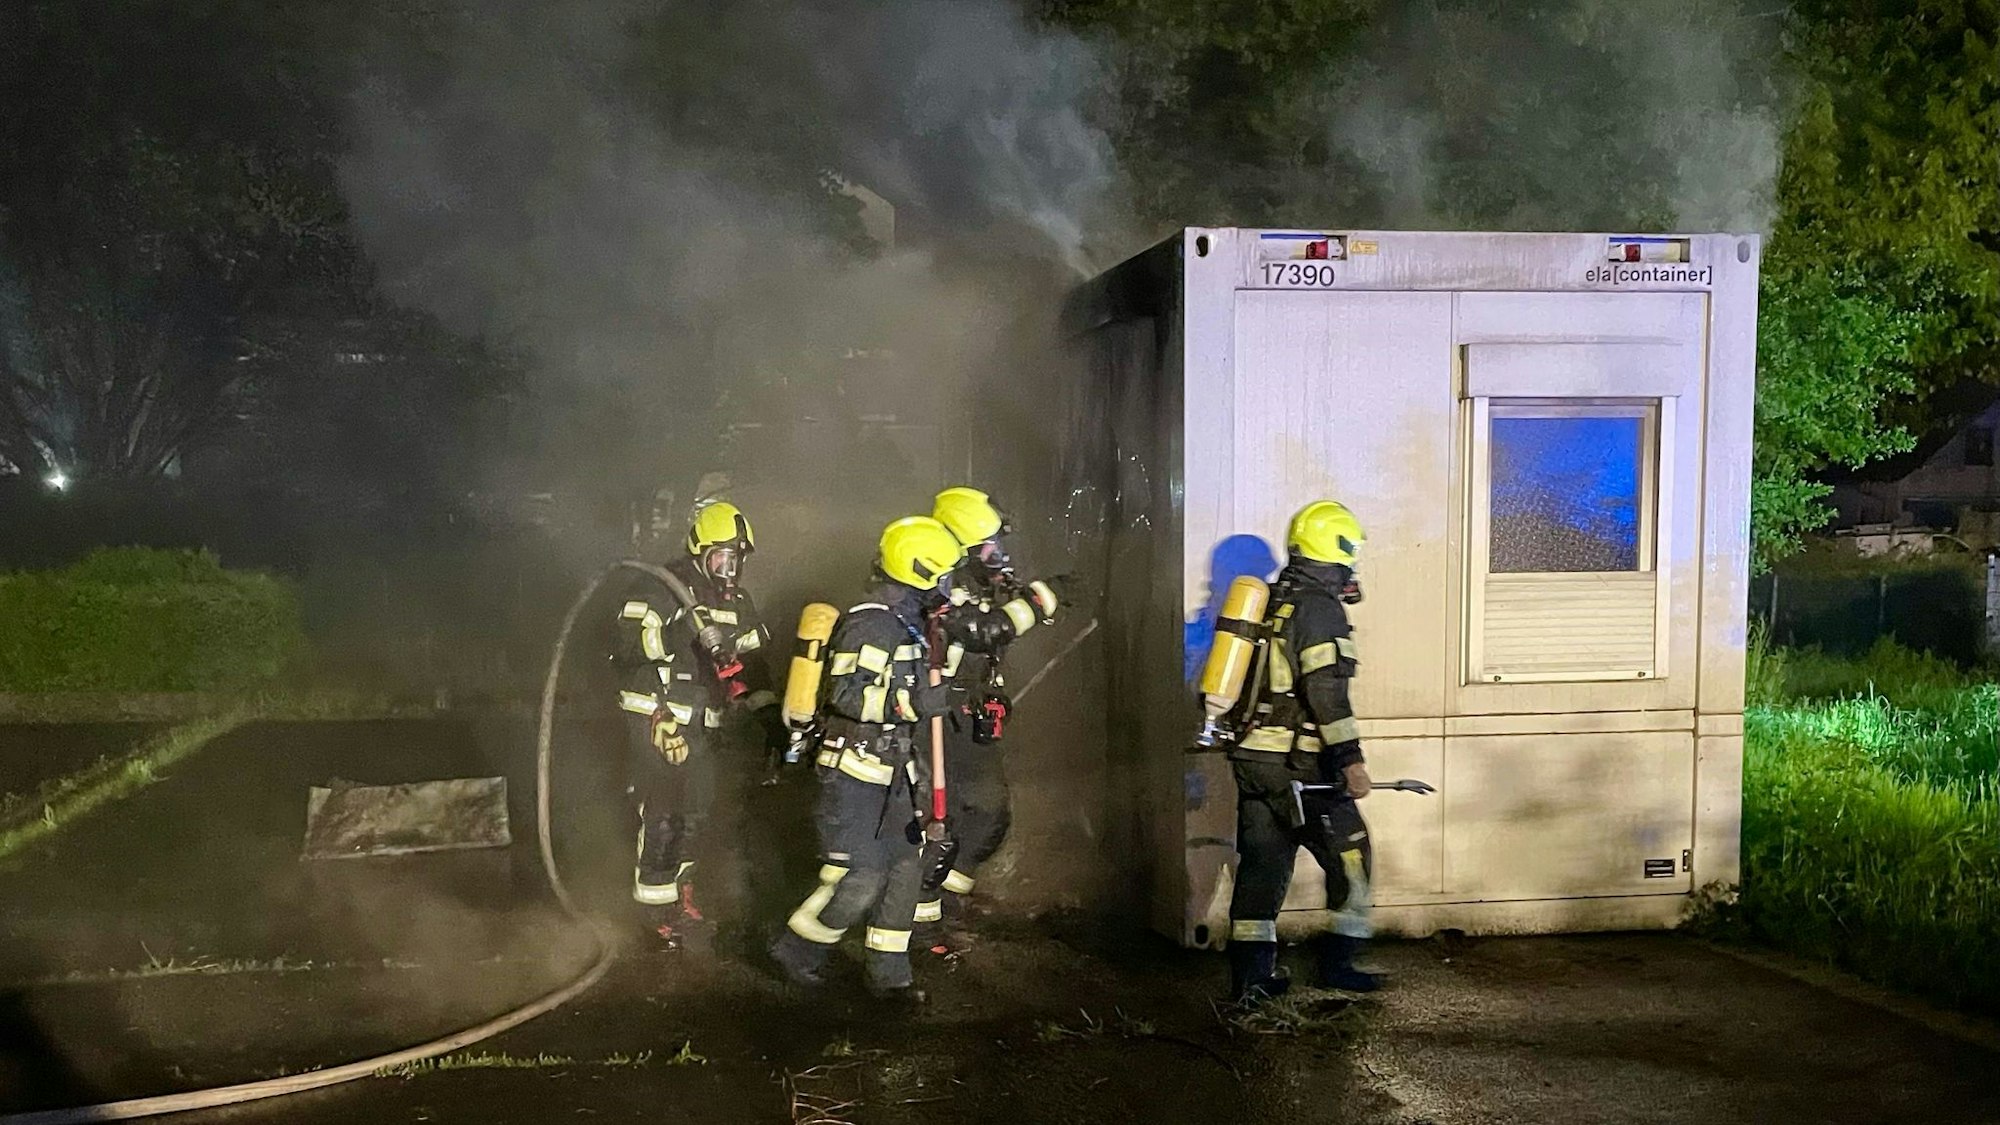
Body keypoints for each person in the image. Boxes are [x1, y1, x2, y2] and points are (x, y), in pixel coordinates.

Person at [769, 516, 968, 1002]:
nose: (947, 587)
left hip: (894, 773)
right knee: (859, 877)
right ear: (920, 572)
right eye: (942, 577)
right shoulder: (871, 624)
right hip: (853, 774)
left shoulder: (910, 625)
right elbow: (846, 694)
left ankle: (890, 975)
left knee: (904, 871)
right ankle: (796, 951)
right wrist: (914, 704)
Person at [612, 501, 785, 950]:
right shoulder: (662, 588)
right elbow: (625, 647)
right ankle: (654, 915)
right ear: (700, 553)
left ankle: (679, 896)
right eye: (722, 558)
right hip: (658, 716)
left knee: (695, 813)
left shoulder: (736, 603)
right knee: (664, 814)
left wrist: (769, 716)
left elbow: (750, 666)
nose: (730, 570)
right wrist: (680, 634)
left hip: (703, 725)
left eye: (737, 561)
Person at [1225, 500, 1379, 1000]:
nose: (1353, 562)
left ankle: (1252, 981)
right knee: (1351, 853)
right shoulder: (1319, 609)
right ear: (1337, 549)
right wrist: (1350, 760)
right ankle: (1338, 965)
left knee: (1262, 866)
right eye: (1350, 552)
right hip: (1300, 765)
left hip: (1253, 760)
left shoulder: (1272, 599)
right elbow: (1327, 693)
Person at [913, 486, 1061, 950]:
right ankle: (921, 925)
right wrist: (1044, 599)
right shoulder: (937, 587)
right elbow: (984, 630)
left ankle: (945, 902)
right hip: (933, 720)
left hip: (964, 716)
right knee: (939, 822)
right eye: (990, 548)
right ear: (963, 547)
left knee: (989, 817)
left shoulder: (974, 586)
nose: (999, 557)